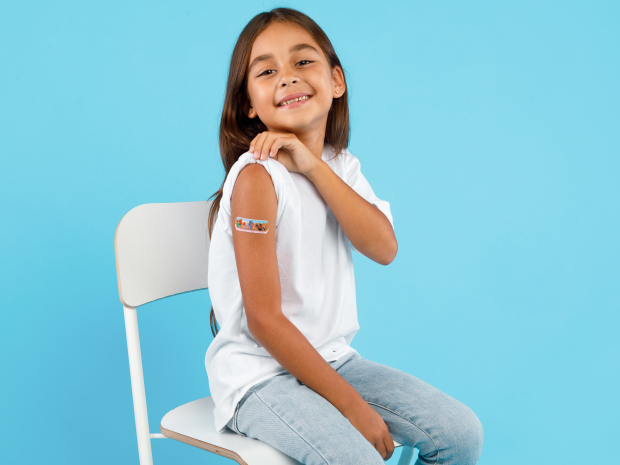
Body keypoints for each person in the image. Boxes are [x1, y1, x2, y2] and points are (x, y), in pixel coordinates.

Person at [205, 8, 483, 465]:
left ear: (336, 81)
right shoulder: (257, 179)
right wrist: (353, 408)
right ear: (249, 104)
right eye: (268, 70)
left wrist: (313, 166)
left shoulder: (340, 165)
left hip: (333, 361)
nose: (288, 78)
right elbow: (263, 320)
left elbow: (384, 248)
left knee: (460, 434)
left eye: (302, 62)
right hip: (259, 377)